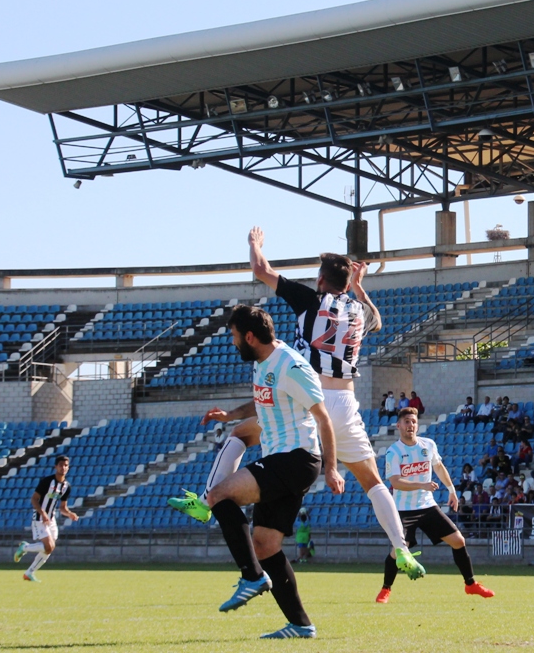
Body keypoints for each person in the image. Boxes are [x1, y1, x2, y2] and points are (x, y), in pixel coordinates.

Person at [168, 228, 425, 583]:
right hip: (346, 402)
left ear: (321, 280)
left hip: (307, 397)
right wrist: (358, 286)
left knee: (241, 434)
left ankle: (204, 501)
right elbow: (376, 318)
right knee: (373, 481)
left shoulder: (311, 300)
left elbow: (261, 270)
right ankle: (402, 549)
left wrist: (254, 244)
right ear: (348, 285)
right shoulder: (358, 312)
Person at [197, 305, 341, 639]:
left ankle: (251, 576)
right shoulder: (262, 364)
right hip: (282, 459)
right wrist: (230, 414)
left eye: (234, 336)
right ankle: (301, 625)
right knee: (265, 545)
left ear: (249, 336)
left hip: (296, 459)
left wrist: (332, 469)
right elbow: (263, 402)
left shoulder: (290, 366)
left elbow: (323, 418)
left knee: (218, 494)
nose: (233, 343)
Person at [376, 408, 494, 603]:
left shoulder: (428, 445)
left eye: (413, 421)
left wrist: (451, 490)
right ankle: (385, 589)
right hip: (403, 510)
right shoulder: (393, 452)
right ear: (398, 426)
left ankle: (470, 584)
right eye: (406, 422)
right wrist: (422, 484)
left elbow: (438, 466)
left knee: (458, 540)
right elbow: (395, 482)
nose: (410, 425)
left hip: (427, 506)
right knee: (398, 551)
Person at [14, 455, 79, 582]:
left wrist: (70, 514)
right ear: (55, 467)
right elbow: (34, 499)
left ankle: (29, 573)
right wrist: (42, 513)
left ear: (68, 468)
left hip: (51, 518)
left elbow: (62, 507)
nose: (63, 468)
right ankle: (25, 547)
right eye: (60, 465)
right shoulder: (47, 481)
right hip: (40, 517)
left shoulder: (66, 486)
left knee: (50, 548)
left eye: (66, 465)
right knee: (48, 546)